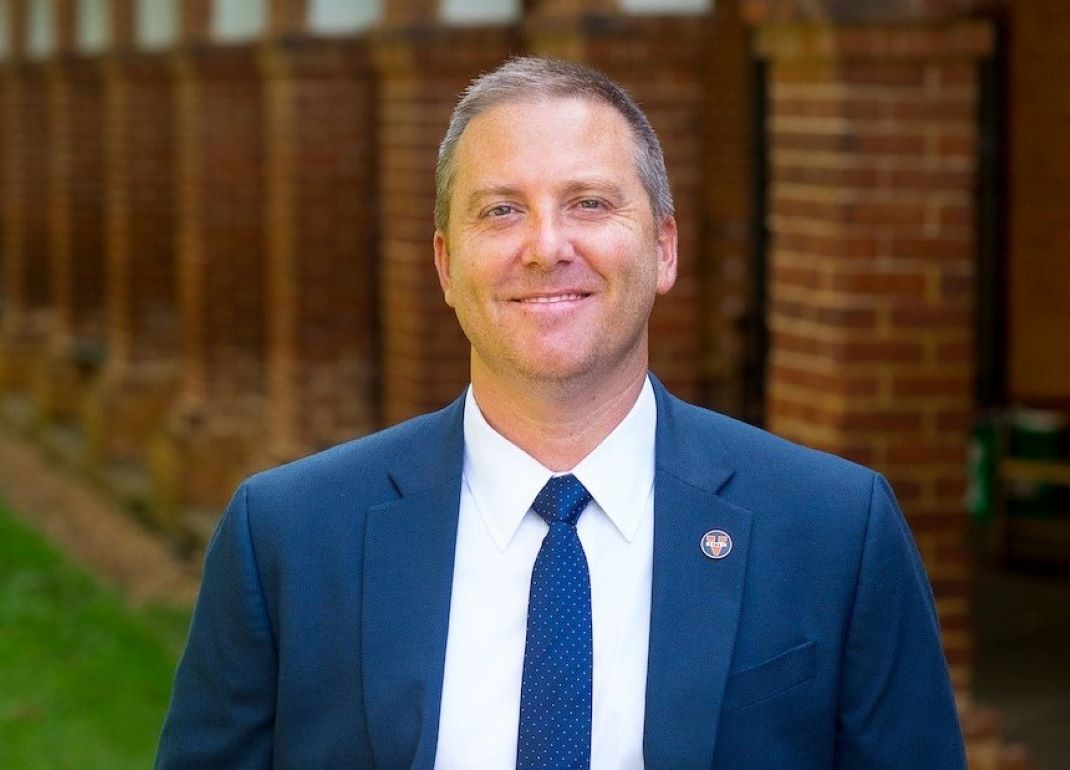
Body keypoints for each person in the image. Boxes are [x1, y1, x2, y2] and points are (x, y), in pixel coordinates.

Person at [156, 57, 966, 769]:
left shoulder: (834, 532)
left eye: (588, 202)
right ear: (446, 264)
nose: (546, 246)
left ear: (664, 249)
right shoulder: (289, 536)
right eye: (501, 209)